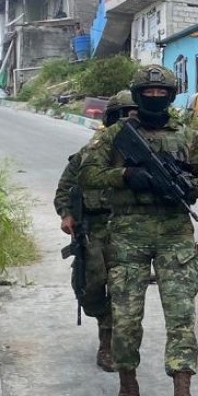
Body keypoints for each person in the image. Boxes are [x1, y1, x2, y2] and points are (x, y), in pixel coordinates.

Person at [78, 65, 198, 396]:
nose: (155, 99)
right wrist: (126, 175)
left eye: (162, 95)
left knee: (181, 317)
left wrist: (189, 185)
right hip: (127, 234)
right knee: (125, 319)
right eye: (148, 95)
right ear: (137, 97)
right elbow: (87, 174)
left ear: (171, 96)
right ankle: (128, 387)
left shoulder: (187, 136)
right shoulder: (114, 137)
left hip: (174, 234)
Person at [53, 90, 138, 372]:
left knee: (120, 287)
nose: (127, 122)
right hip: (93, 229)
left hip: (126, 228)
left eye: (133, 116)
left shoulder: (142, 156)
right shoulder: (90, 153)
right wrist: (66, 215)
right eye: (122, 116)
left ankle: (109, 341)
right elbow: (65, 188)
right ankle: (103, 319)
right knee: (90, 287)